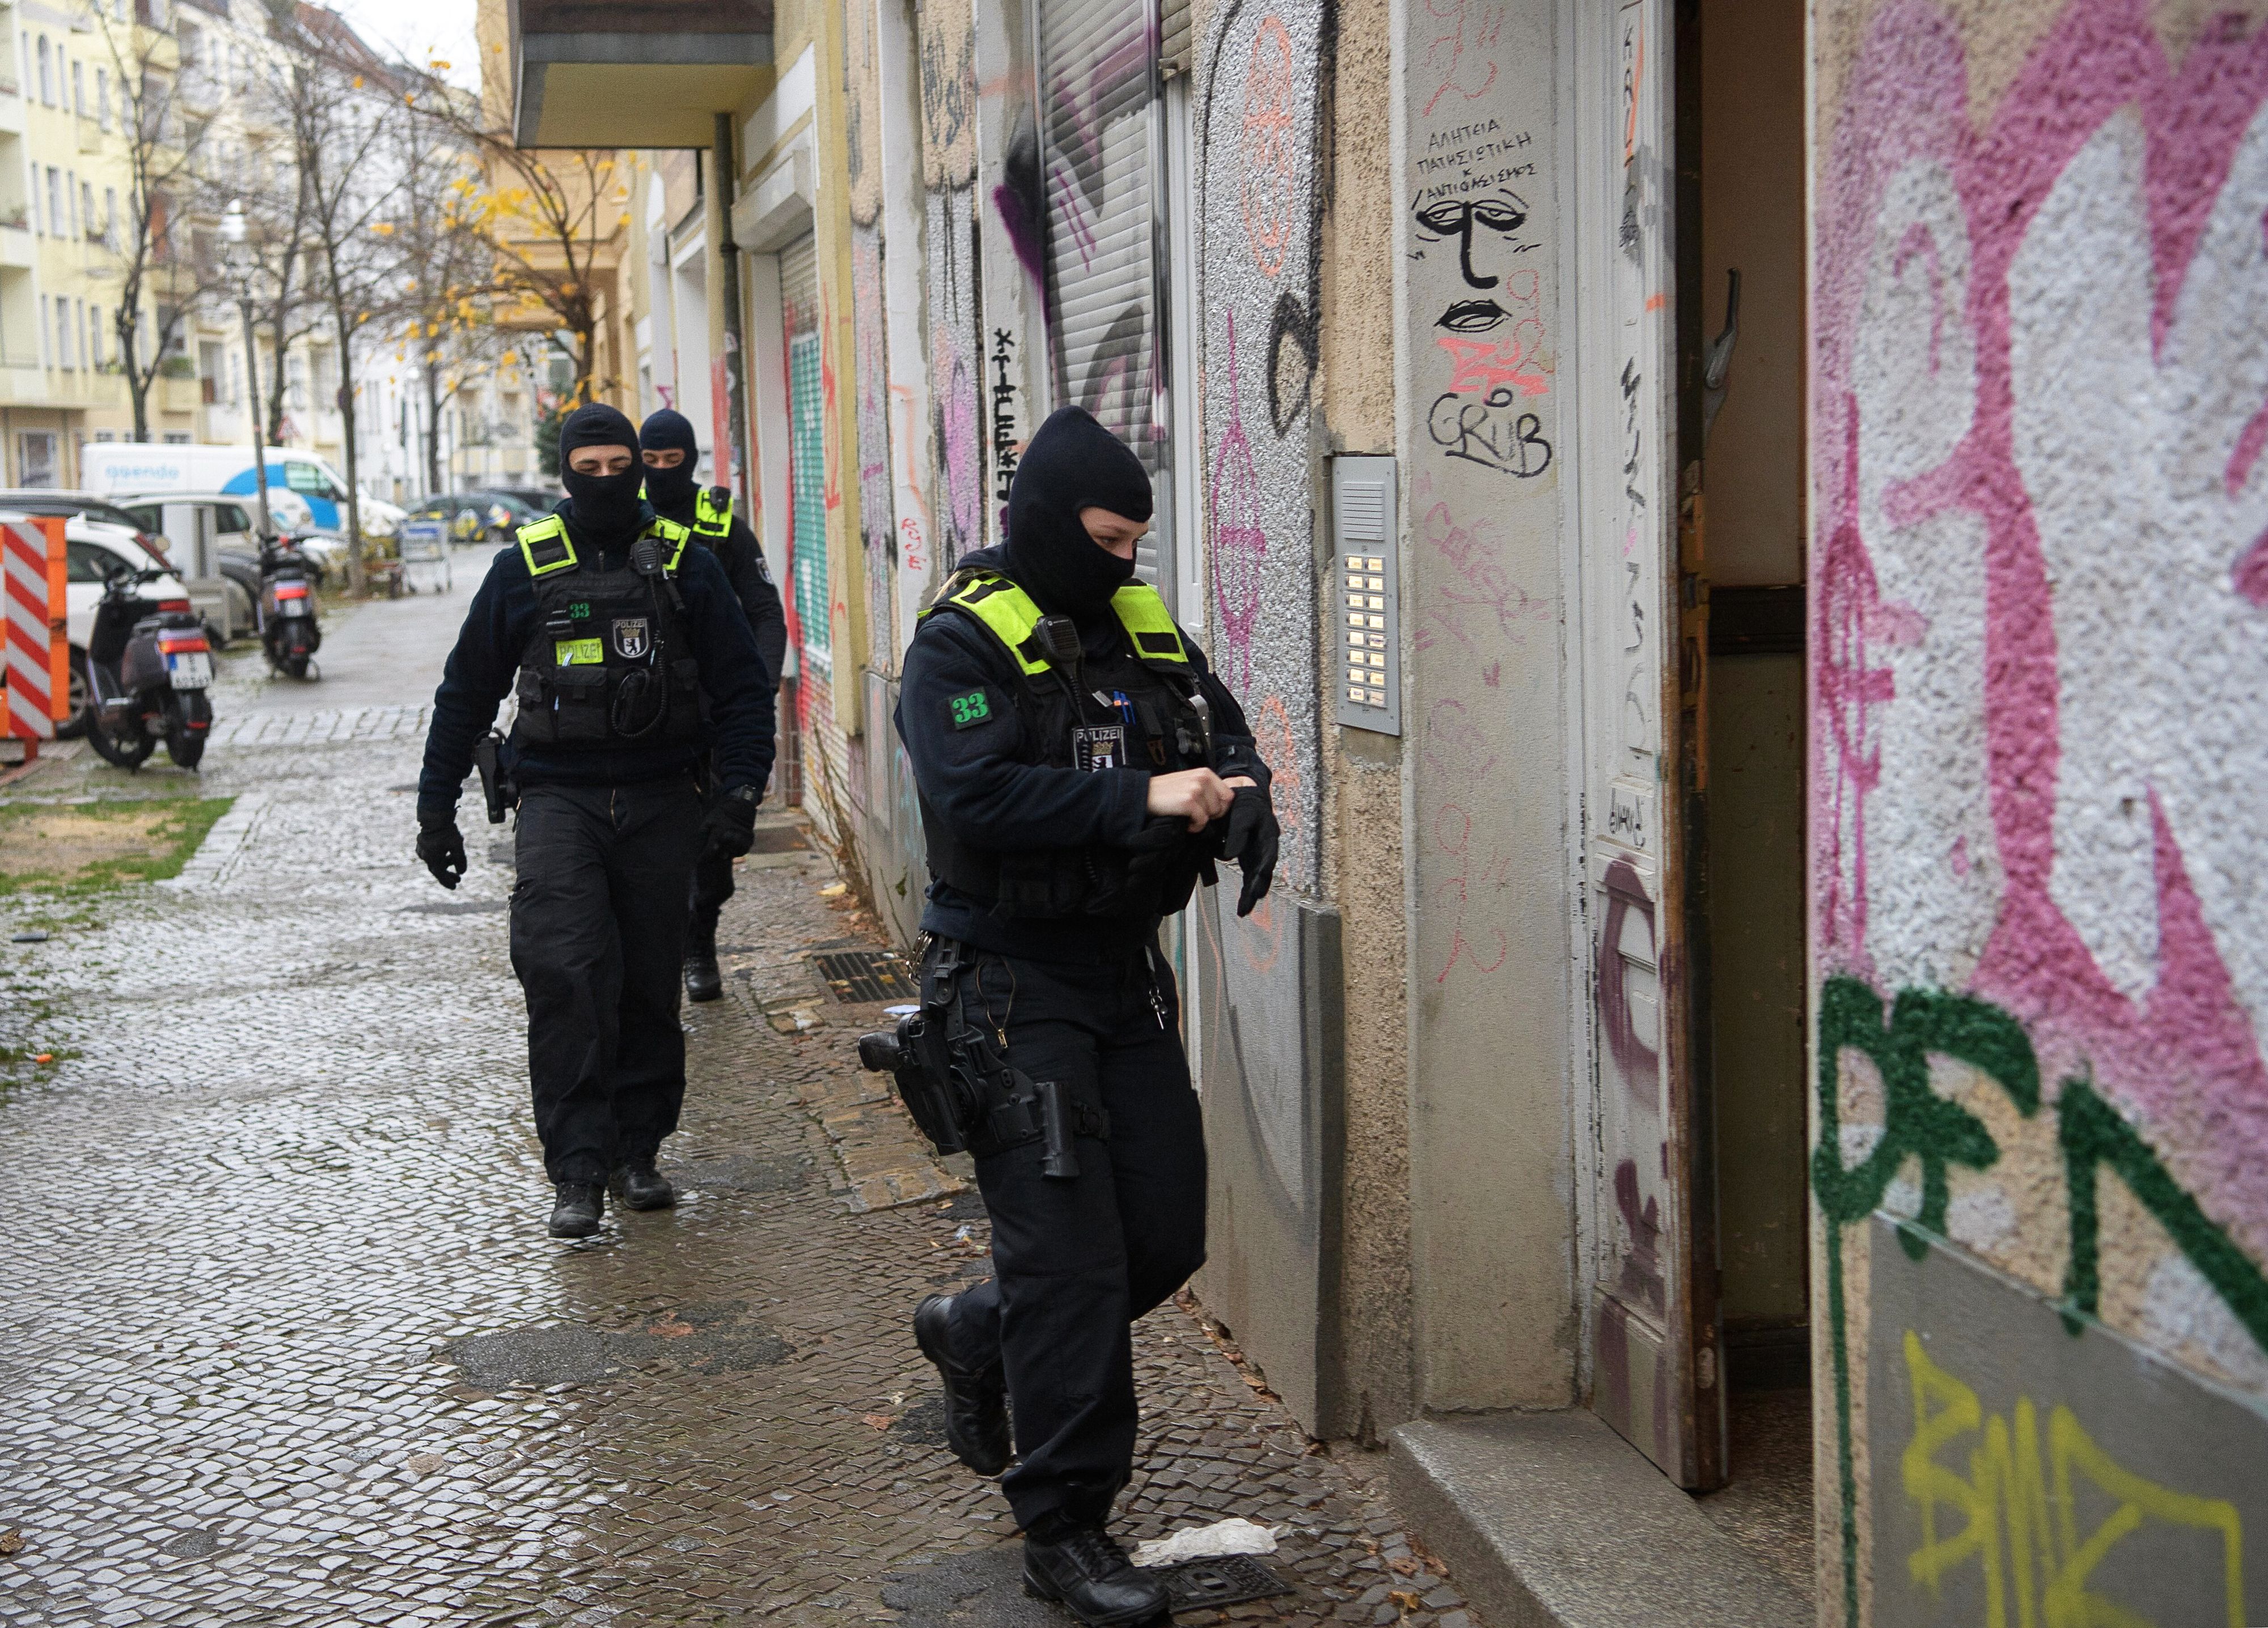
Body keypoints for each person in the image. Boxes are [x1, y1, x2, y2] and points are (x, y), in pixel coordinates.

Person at [894, 406, 1279, 1626]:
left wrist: (1249, 789)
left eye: (1135, 545)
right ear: (1053, 525)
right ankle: (1062, 1523)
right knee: (1068, 1258)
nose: (1124, 565)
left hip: (1121, 977)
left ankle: (975, 1324)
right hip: (1009, 987)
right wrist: (1139, 796)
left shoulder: (1141, 624)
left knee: (1161, 1230)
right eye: (1107, 541)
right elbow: (975, 791)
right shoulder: (961, 643)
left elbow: (1216, 724)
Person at [414, 404, 777, 1240]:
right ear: (566, 472)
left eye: (624, 467)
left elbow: (739, 689)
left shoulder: (687, 563)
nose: (609, 481)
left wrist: (738, 795)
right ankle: (576, 1170)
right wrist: (438, 812)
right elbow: (466, 691)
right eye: (593, 468)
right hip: (557, 802)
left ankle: (638, 1152)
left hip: (660, 801)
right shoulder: (524, 568)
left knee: (649, 984)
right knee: (565, 976)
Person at [637, 409, 789, 1005]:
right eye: (651, 463)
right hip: (649, 706)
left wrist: (759, 679)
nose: (661, 473)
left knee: (715, 842)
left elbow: (764, 609)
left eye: (673, 462)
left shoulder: (719, 523)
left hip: (717, 706)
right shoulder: (628, 517)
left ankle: (700, 940)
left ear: (690, 460)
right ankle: (655, 947)